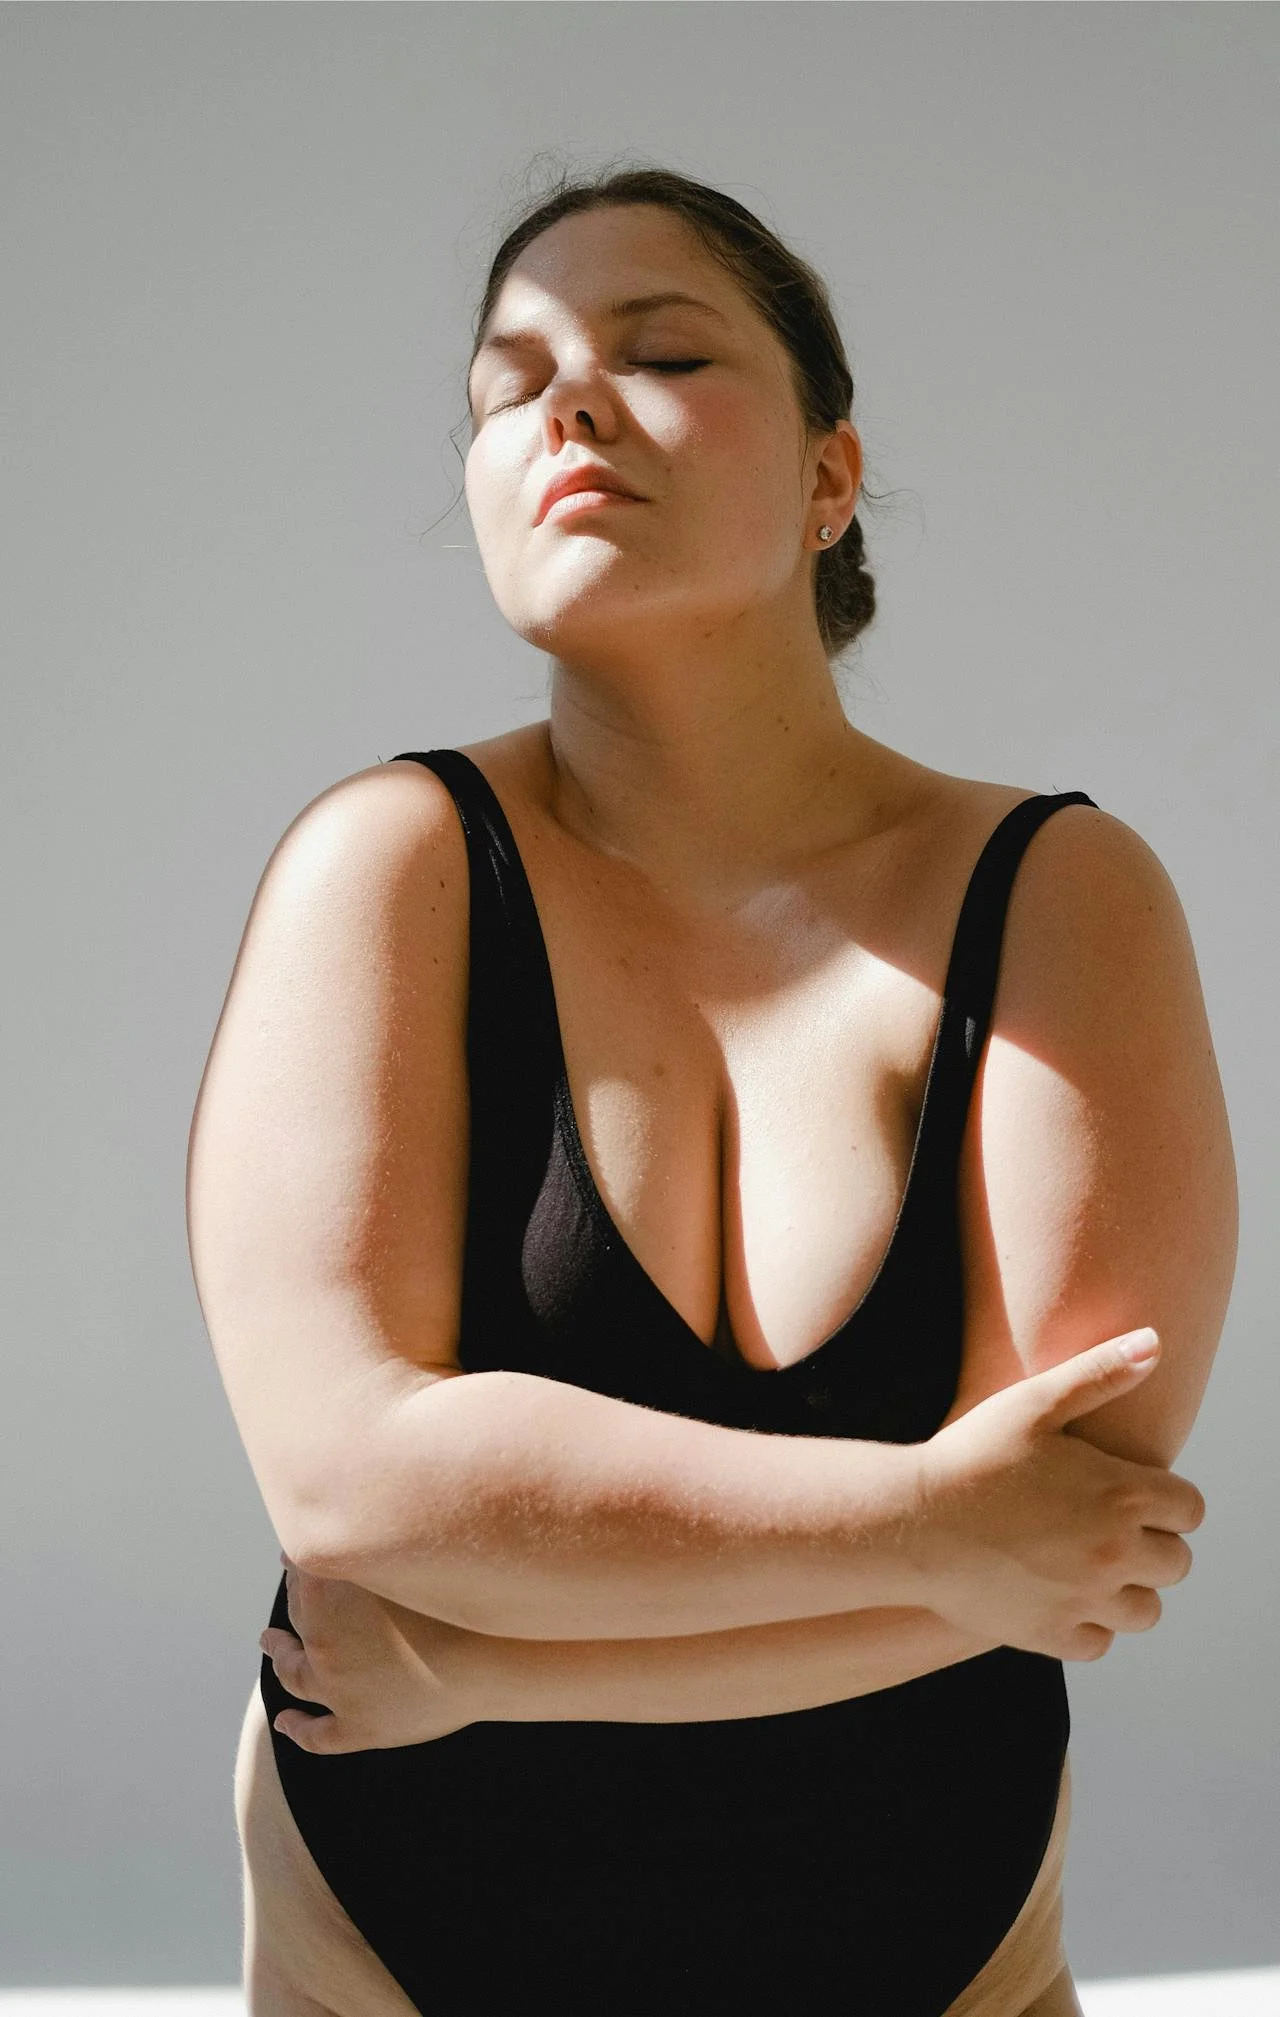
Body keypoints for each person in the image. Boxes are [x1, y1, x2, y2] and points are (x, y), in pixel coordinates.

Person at [187, 167, 1238, 2016]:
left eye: (660, 351)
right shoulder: (386, 865)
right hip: (403, 1946)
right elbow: (355, 1487)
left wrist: (509, 1663)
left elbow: (1075, 1540)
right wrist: (928, 1524)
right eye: (510, 384)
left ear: (834, 478)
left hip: (941, 1946)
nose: (569, 402)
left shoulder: (1064, 894)